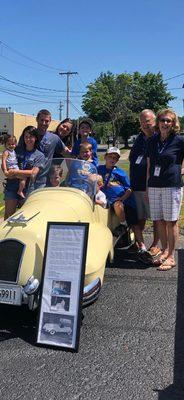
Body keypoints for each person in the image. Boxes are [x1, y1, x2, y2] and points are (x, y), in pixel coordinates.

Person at [147, 108, 184, 270]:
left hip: (171, 184)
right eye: (162, 120)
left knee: (171, 221)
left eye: (169, 120)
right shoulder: (152, 141)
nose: (165, 123)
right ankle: (164, 250)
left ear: (173, 123)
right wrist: (148, 183)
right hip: (154, 185)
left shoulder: (179, 140)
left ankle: (171, 257)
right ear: (158, 123)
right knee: (159, 220)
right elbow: (149, 163)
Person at [129, 109, 160, 254]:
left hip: (153, 186)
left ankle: (155, 244)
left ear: (155, 121)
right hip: (137, 184)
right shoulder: (140, 138)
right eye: (142, 122)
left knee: (155, 217)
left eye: (147, 121)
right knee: (140, 216)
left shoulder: (161, 137)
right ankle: (138, 242)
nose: (145, 125)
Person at [3, 126, 45, 219]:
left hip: (27, 189)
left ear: (36, 138)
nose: (28, 139)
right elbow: (6, 160)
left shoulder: (40, 155)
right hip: (12, 185)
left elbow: (33, 172)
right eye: (26, 136)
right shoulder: (16, 149)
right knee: (9, 216)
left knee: (26, 217)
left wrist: (15, 172)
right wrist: (6, 172)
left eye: (31, 137)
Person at [98, 147, 138, 235]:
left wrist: (122, 198)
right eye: (110, 156)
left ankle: (123, 225)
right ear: (105, 157)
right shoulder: (98, 169)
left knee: (118, 205)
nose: (112, 159)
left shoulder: (120, 172)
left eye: (115, 158)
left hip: (117, 199)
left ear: (117, 160)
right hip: (104, 197)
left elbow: (129, 189)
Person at [2, 134, 26, 198]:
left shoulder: (13, 151)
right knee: (23, 178)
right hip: (11, 168)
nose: (11, 146)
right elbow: (3, 161)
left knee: (22, 178)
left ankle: (20, 189)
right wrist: (5, 170)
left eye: (12, 144)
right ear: (5, 144)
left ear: (15, 144)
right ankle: (20, 191)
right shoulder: (6, 152)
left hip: (15, 167)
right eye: (9, 144)